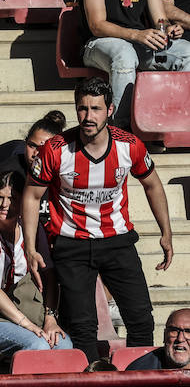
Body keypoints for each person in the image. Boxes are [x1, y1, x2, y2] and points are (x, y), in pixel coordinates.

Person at [24, 77, 174, 358]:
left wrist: (166, 232)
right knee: (83, 327)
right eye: (82, 108)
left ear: (110, 110)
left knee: (141, 320)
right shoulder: (56, 149)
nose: (88, 116)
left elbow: (152, 184)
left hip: (117, 241)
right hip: (72, 244)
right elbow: (31, 196)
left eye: (95, 109)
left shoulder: (129, 146)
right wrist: (31, 248)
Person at [0, 168, 71, 356]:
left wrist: (50, 319)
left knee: (63, 346)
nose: (5, 204)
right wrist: (29, 326)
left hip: (27, 308)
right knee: (37, 346)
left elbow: (50, 276)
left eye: (13, 198)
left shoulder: (32, 229)